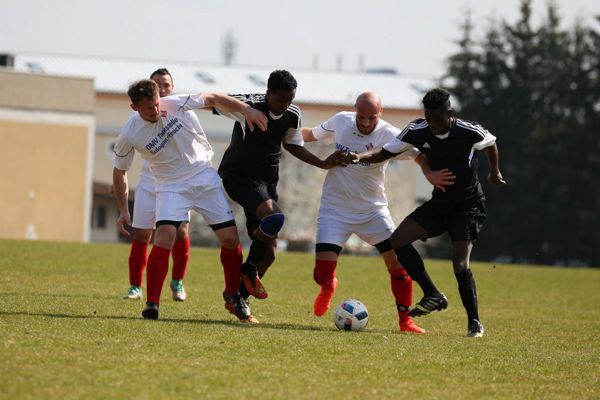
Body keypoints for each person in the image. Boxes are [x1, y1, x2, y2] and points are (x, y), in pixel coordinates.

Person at [351, 88, 506, 337]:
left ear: (449, 113)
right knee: (398, 240)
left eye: (437, 119)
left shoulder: (468, 131)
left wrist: (494, 171)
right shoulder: (417, 130)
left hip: (467, 206)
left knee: (459, 264)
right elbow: (385, 152)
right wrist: (359, 157)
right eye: (429, 118)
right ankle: (433, 293)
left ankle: (474, 322)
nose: (432, 125)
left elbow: (491, 142)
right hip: (439, 204)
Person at [112, 79, 268, 323]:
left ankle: (233, 295)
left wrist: (246, 109)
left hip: (203, 176)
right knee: (163, 236)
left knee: (230, 239)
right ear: (134, 108)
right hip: (171, 186)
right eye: (148, 108)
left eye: (156, 104)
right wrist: (123, 210)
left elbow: (214, 98)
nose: (155, 111)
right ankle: (152, 303)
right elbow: (119, 171)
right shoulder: (130, 133)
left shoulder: (174, 104)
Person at [214, 69, 344, 306]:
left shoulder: (292, 114)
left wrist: (322, 163)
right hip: (239, 177)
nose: (284, 105)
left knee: (270, 253)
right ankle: (247, 269)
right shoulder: (250, 105)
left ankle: (237, 298)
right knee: (274, 218)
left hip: (266, 183)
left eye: (289, 100)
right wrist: (244, 109)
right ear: (268, 94)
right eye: (280, 100)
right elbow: (212, 100)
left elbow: (293, 144)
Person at [301, 91, 425, 334]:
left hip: (373, 211)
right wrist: (282, 130)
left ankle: (405, 322)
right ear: (355, 111)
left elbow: (419, 156)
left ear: (380, 114)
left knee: (398, 265)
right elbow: (311, 134)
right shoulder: (340, 121)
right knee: (320, 274)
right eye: (362, 117)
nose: (366, 123)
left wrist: (430, 173)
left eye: (372, 118)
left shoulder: (391, 134)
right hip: (334, 209)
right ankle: (329, 286)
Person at [122, 68, 192, 302]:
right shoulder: (138, 120)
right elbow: (124, 158)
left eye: (166, 85)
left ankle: (177, 281)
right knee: (142, 233)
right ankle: (135, 286)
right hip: (151, 181)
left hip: (178, 182)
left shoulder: (179, 110)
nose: (161, 89)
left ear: (172, 88)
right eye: (157, 85)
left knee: (180, 232)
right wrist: (119, 183)